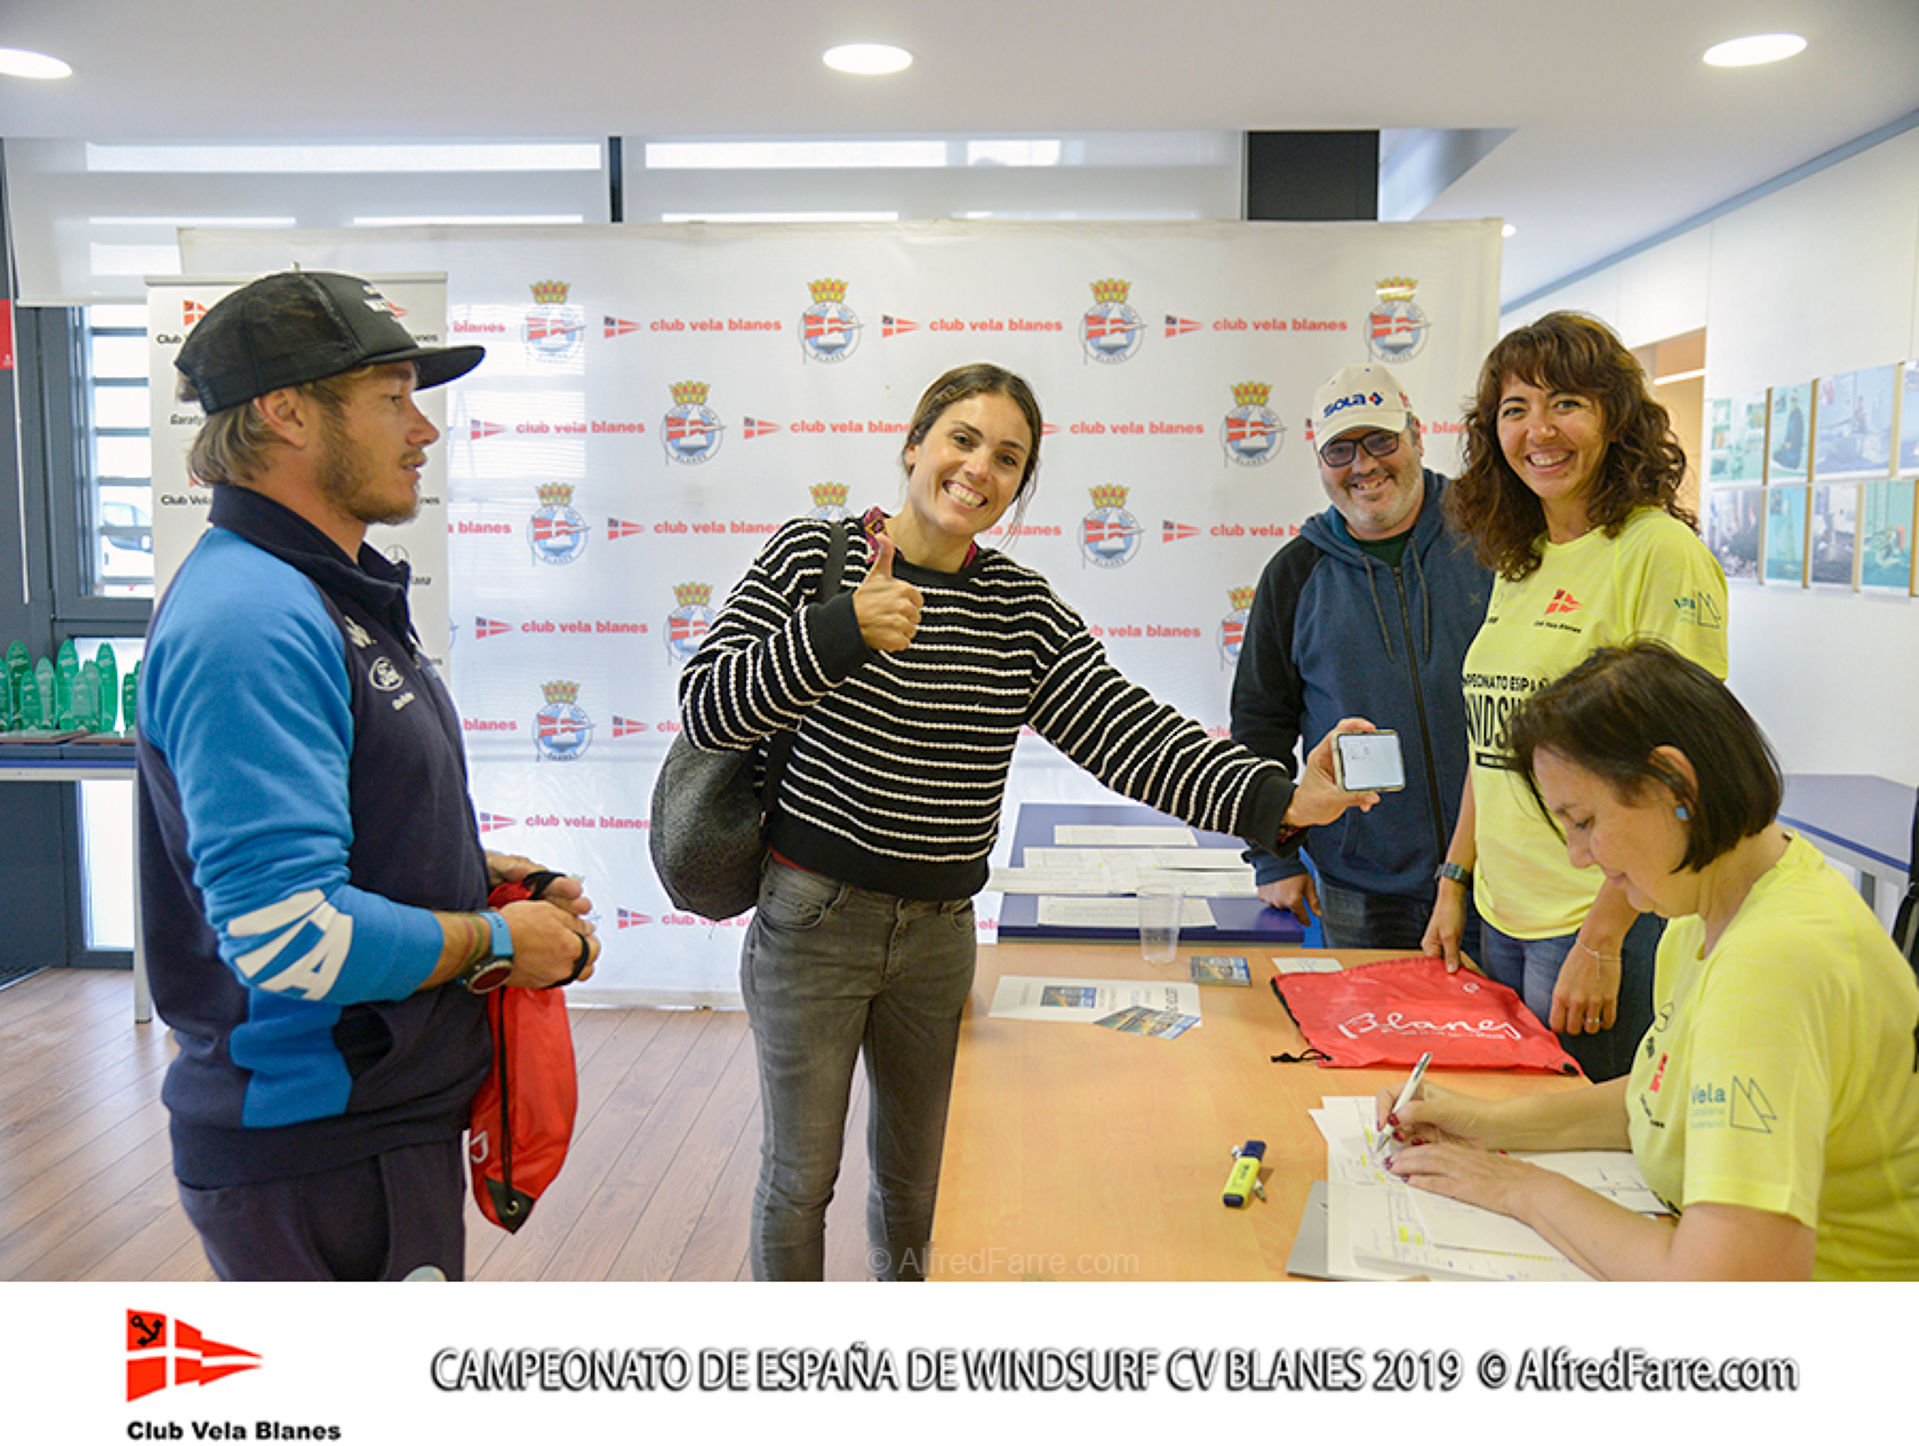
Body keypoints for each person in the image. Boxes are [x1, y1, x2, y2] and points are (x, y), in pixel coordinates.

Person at [678, 362, 1383, 1281]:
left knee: (918, 1187)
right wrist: (840, 629)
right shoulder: (817, 556)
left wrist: (1283, 798)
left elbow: (1131, 733)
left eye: (1008, 458)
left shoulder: (1018, 609)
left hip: (937, 940)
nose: (979, 469)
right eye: (962, 440)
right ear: (914, 445)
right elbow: (708, 706)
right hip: (813, 920)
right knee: (799, 1180)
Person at [139, 270, 600, 1281]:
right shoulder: (251, 620)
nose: (423, 430)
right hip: (319, 1146)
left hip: (368, 1128)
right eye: (390, 398)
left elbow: (340, 826)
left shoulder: (314, 590)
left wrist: (464, 868)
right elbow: (286, 936)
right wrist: (491, 942)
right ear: (285, 412)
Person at [1381, 642, 1919, 1279]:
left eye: (1583, 821)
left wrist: (1517, 1187)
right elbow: (1659, 1099)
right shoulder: (1710, 904)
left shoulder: (1771, 963)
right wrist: (1486, 1123)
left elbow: (1721, 1292)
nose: (1578, 855)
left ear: (1673, 784)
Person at [1423, 311, 1727, 1081]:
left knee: (1582, 1154)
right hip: (1500, 915)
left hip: (1589, 920)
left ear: (1614, 416)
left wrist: (1601, 939)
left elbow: (1677, 770)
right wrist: (1454, 881)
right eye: (1514, 409)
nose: (1538, 430)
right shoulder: (1519, 560)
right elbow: (1489, 747)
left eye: (1566, 403)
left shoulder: (1658, 553)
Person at [1231, 362, 1490, 949]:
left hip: (1500, 876)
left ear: (1417, 436)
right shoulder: (1294, 573)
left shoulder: (1492, 538)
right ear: (1320, 464)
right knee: (1371, 1042)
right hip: (1360, 886)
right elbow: (1260, 723)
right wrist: (1273, 854)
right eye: (1340, 451)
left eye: (1380, 441)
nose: (1364, 465)